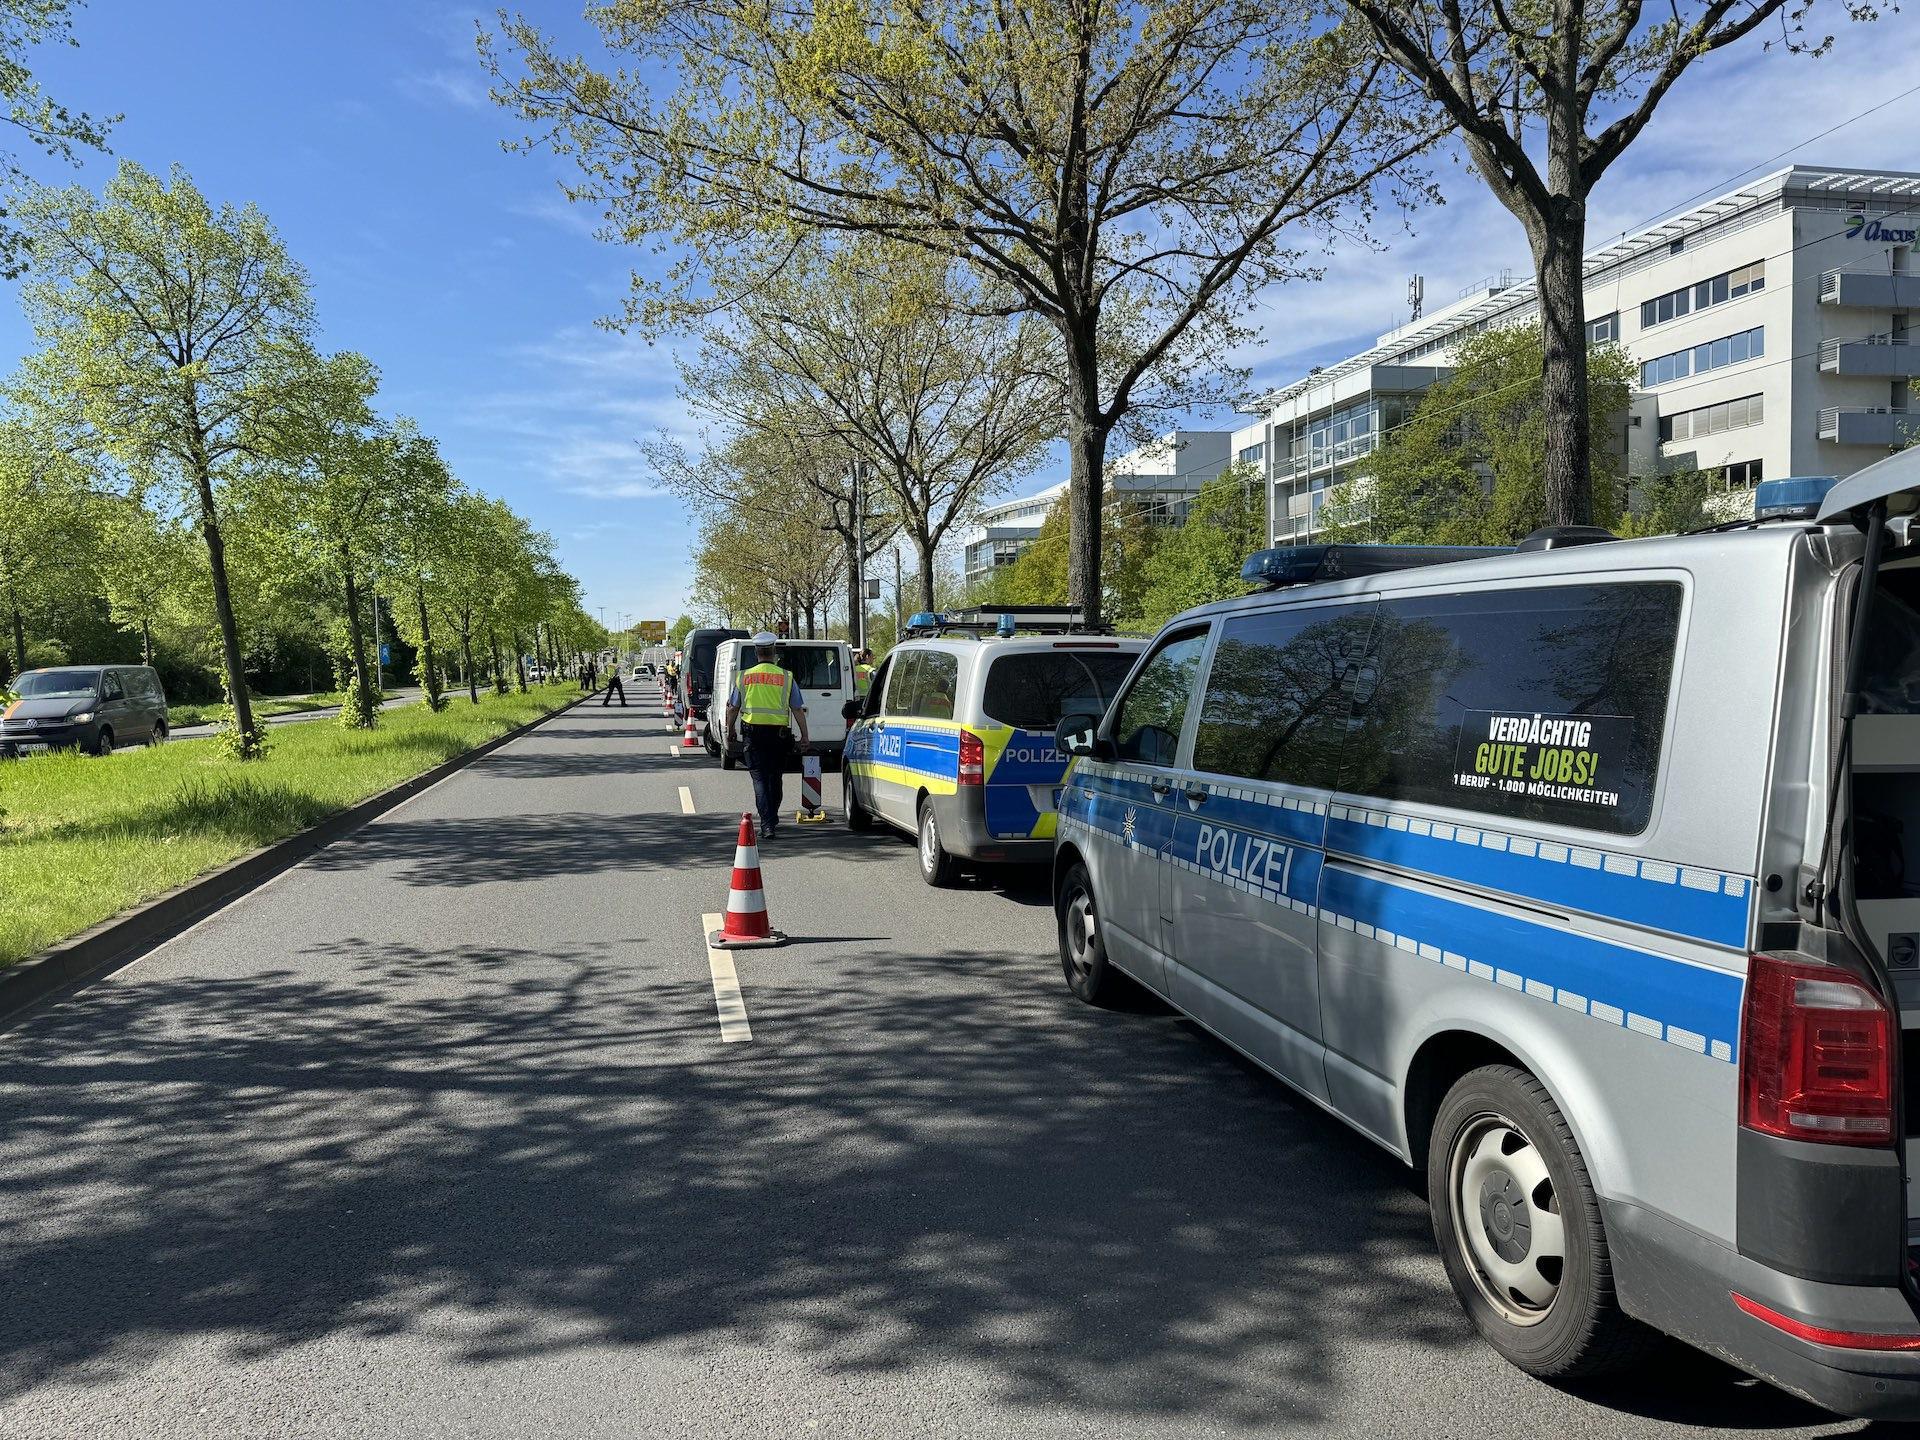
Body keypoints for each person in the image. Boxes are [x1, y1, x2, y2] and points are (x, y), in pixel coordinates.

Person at [724, 632, 809, 841]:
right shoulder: (786, 677)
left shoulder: (743, 676)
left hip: (753, 735)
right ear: (774, 652)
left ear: (756, 652)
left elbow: (733, 707)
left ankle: (768, 823)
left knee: (759, 779)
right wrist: (805, 736)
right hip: (779, 736)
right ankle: (771, 818)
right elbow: (797, 709)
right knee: (775, 777)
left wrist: (730, 729)